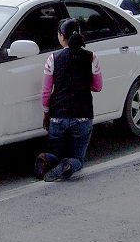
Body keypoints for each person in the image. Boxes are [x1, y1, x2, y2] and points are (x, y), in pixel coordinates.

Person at [34, 17, 103, 182]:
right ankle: (69, 165)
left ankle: (46, 159)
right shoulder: (92, 58)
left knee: (56, 153)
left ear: (61, 36)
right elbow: (98, 87)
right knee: (77, 158)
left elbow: (46, 92)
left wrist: (46, 114)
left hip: (58, 116)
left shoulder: (53, 59)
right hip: (83, 115)